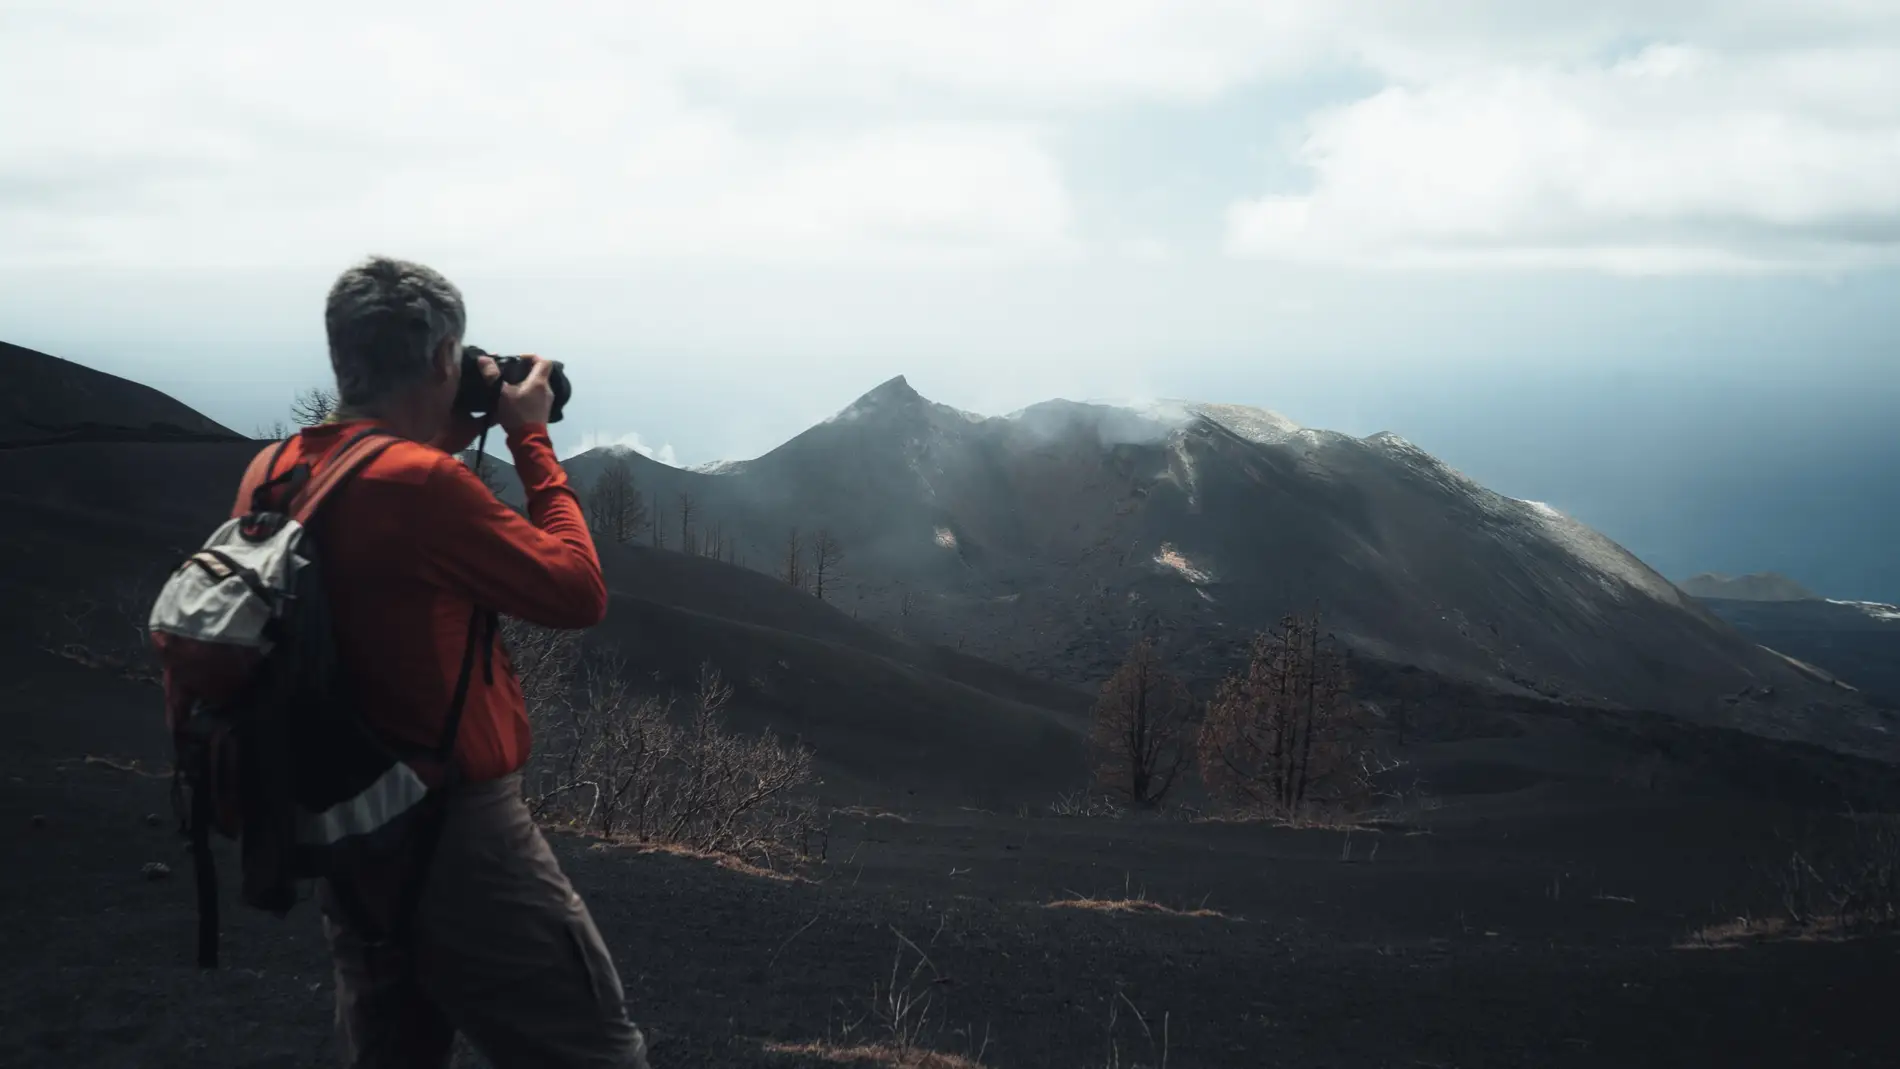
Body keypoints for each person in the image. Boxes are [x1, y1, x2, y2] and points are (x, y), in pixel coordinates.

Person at [230, 256, 651, 1069]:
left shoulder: (274, 470)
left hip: (346, 817)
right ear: (439, 360)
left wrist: (453, 416)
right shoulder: (421, 488)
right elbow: (577, 590)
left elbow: (376, 498)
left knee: (391, 1052)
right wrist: (528, 434)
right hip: (456, 831)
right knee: (595, 1050)